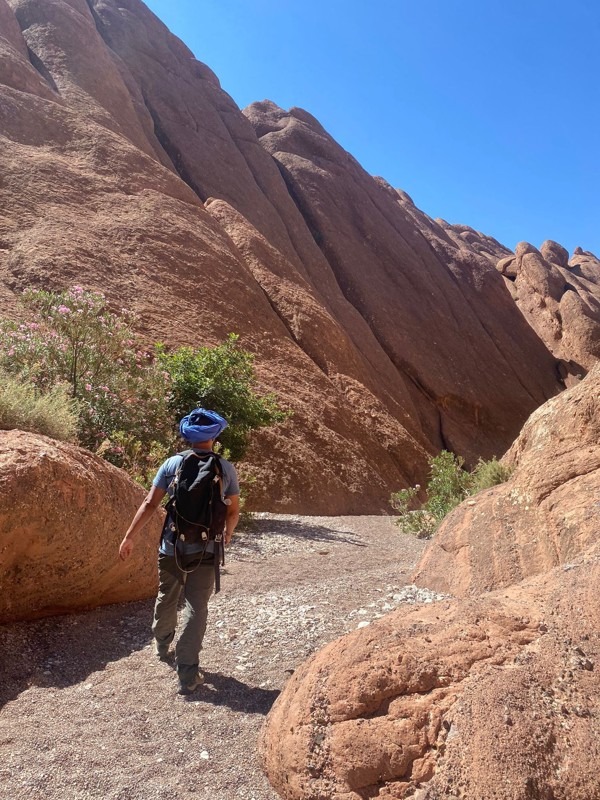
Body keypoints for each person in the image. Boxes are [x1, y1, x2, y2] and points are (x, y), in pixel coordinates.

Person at [119, 408, 240, 695]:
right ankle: (187, 673)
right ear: (214, 437)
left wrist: (129, 536)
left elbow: (150, 504)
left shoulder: (172, 464)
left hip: (172, 545)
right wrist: (227, 533)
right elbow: (233, 510)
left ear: (188, 436)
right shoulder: (225, 468)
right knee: (197, 606)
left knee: (167, 594)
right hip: (207, 548)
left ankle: (162, 644)